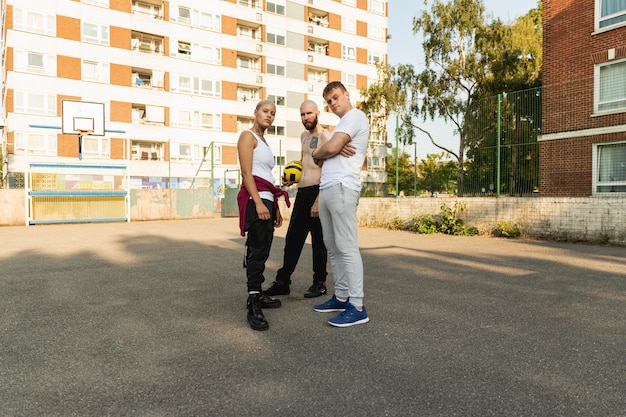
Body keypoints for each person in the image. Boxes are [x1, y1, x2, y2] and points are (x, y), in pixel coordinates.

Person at [310, 81, 370, 327]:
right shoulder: (339, 127)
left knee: (346, 246)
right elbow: (325, 158)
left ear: (347, 95)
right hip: (327, 188)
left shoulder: (355, 116)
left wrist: (323, 150)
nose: (332, 103)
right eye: (328, 101)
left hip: (343, 187)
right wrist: (327, 151)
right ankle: (342, 295)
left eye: (335, 97)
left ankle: (357, 306)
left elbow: (326, 151)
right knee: (332, 246)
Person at [263, 100, 329, 299]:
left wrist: (319, 200)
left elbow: (328, 170)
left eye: (309, 113)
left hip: (318, 192)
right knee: (292, 239)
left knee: (319, 241)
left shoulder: (327, 136)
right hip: (302, 192)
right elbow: (305, 162)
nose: (305, 118)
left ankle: (320, 282)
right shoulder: (303, 136)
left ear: (317, 113)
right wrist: (293, 177)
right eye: (302, 114)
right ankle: (283, 282)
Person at [237, 100, 290, 331]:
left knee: (265, 250)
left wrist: (275, 207)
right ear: (255, 112)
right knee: (257, 251)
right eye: (265, 111)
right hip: (256, 200)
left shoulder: (265, 142)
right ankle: (253, 301)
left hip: (268, 200)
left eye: (273, 113)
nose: (269, 115)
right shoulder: (247, 136)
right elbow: (247, 173)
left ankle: (258, 294)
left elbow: (266, 176)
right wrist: (258, 202)